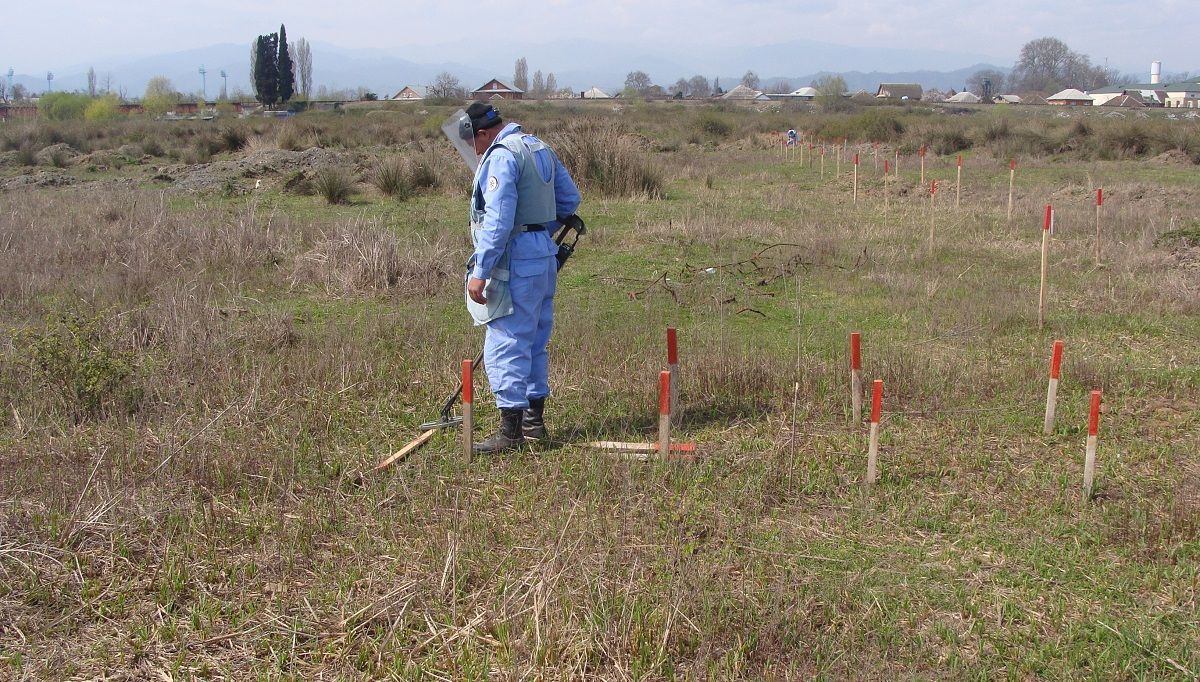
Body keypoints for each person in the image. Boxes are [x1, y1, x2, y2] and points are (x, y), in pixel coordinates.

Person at [460, 102, 581, 454]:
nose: (473, 148)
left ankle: (510, 432)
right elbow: (570, 198)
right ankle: (534, 424)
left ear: (483, 133)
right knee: (534, 342)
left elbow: (498, 219)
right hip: (542, 257)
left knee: (507, 341)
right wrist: (539, 233)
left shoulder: (501, 155)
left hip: (514, 262)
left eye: (473, 141)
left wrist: (480, 271)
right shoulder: (538, 146)